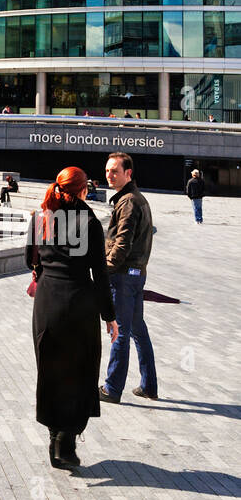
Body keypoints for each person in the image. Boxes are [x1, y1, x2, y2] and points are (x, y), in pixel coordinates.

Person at [25, 167, 117, 470]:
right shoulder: (89, 221)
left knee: (50, 370)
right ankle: (67, 436)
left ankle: (55, 436)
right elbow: (100, 275)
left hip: (47, 302)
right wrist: (110, 317)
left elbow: (30, 260)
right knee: (80, 371)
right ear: (83, 190)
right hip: (79, 303)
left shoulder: (41, 217)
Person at [99, 153, 158, 404]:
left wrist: (105, 270)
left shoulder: (129, 202)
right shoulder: (133, 199)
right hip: (135, 275)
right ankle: (149, 386)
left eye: (115, 171)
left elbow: (122, 243)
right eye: (107, 171)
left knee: (119, 332)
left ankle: (112, 389)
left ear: (128, 174)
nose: (109, 175)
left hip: (123, 276)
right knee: (137, 330)